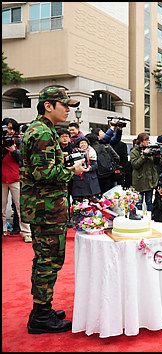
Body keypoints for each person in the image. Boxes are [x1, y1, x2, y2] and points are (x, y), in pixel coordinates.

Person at [20, 85, 85, 334]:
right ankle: (40, 316)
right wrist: (73, 170)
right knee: (48, 261)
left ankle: (42, 309)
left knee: (47, 260)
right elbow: (43, 173)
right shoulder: (42, 133)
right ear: (48, 106)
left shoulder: (42, 130)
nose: (68, 110)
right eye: (64, 105)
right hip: (45, 209)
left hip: (45, 207)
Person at [2, 117, 32, 242]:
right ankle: (3, 229)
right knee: (2, 207)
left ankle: (26, 232)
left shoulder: (20, 141)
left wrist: (14, 151)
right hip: (2, 178)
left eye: (11, 128)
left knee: (21, 207)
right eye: (6, 128)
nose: (9, 131)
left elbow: (25, 159)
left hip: (16, 177)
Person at [130, 133, 159, 212]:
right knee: (139, 202)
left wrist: (157, 155)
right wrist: (144, 155)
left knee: (149, 202)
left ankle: (150, 217)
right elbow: (135, 165)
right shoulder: (134, 151)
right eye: (145, 140)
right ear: (140, 141)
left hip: (149, 180)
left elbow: (156, 163)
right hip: (139, 181)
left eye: (148, 140)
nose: (147, 142)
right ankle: (138, 218)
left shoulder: (150, 149)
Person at [70, 136, 101, 202]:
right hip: (79, 179)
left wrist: (90, 168)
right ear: (78, 145)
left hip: (91, 179)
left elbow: (95, 165)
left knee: (93, 201)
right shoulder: (74, 153)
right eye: (81, 143)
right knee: (80, 202)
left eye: (85, 143)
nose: (83, 144)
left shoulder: (92, 152)